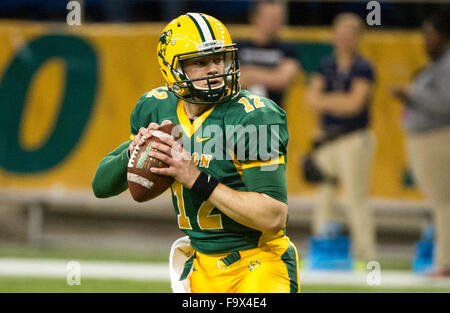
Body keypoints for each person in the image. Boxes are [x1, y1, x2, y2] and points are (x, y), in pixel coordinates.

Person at [92, 13, 300, 292]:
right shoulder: (157, 108)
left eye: (218, 59)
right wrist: (133, 150)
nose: (214, 69)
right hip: (200, 267)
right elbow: (101, 186)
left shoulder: (253, 116)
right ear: (172, 69)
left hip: (259, 263)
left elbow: (273, 217)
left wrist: (196, 178)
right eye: (200, 62)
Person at [305, 13, 377, 265]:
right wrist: (339, 102)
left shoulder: (363, 67)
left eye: (350, 34)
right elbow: (311, 99)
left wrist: (329, 102)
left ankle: (365, 254)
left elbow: (355, 104)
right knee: (324, 193)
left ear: (358, 38)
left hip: (354, 138)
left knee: (355, 197)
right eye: (340, 33)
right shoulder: (326, 65)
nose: (344, 39)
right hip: (328, 139)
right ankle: (322, 251)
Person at [391, 9, 450, 277]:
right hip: (429, 140)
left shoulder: (447, 64)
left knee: (444, 203)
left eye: (430, 35)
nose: (425, 41)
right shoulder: (438, 64)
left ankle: (446, 263)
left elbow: (446, 103)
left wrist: (412, 93)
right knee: (441, 203)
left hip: (438, 140)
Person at [238, 0, 300, 108]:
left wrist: (249, 74)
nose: (275, 23)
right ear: (255, 18)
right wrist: (269, 76)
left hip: (272, 114)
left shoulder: (287, 50)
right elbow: (228, 79)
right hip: (240, 114)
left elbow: (283, 79)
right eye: (270, 18)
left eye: (278, 18)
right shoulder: (239, 47)